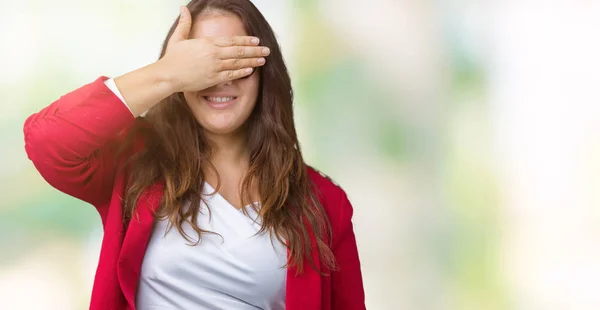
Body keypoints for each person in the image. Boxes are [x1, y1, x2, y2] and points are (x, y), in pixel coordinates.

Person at [23, 0, 365, 309]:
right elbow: (47, 141)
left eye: (233, 62)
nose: (220, 80)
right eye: (203, 65)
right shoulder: (134, 162)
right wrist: (166, 74)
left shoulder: (324, 203)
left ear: (264, 72)